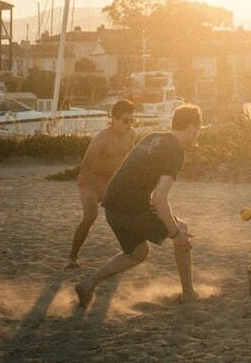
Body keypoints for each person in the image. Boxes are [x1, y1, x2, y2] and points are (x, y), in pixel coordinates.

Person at [75, 104, 202, 308]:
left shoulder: (152, 137)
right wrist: (176, 233)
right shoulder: (175, 152)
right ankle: (188, 294)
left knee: (138, 253)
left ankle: (88, 284)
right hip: (130, 208)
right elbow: (159, 199)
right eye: (198, 130)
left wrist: (171, 226)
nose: (198, 135)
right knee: (182, 229)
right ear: (191, 129)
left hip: (112, 206)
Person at [66, 99, 137, 269]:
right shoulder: (102, 138)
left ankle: (130, 252)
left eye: (131, 120)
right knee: (91, 215)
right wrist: (100, 190)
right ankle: (72, 257)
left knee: (125, 214)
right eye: (125, 120)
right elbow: (84, 167)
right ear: (114, 118)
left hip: (110, 178)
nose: (129, 124)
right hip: (89, 179)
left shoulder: (131, 134)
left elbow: (126, 160)